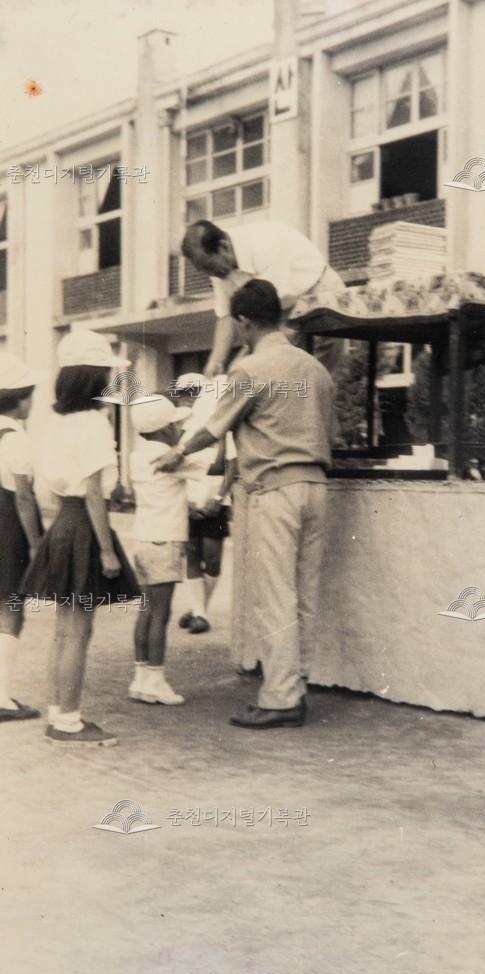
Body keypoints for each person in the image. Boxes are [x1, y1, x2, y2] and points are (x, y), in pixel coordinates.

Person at [155, 278, 335, 729]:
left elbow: (212, 429)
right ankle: (297, 684)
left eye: (235, 325)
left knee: (274, 597)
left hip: (273, 490)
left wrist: (176, 453)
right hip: (316, 486)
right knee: (303, 596)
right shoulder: (316, 370)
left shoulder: (251, 370)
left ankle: (280, 698)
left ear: (244, 322)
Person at [22, 331, 140, 747]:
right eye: (107, 371)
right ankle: (68, 721)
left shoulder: (57, 424)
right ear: (94, 378)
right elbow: (93, 490)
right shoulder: (93, 423)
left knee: (64, 630)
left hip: (65, 525)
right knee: (78, 630)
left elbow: (52, 489)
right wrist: (107, 549)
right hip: (86, 527)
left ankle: (59, 710)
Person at [181, 219, 345, 378]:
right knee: (274, 378)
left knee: (306, 378)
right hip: (285, 309)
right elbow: (226, 317)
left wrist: (240, 366)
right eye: (204, 270)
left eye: (209, 267)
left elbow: (266, 321)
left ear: (223, 246)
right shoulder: (218, 267)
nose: (211, 275)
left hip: (318, 294)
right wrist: (215, 362)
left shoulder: (265, 244)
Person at [128, 395, 207, 705]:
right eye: (175, 424)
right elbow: (211, 466)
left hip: (144, 539)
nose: (180, 429)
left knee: (146, 611)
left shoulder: (137, 455)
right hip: (166, 541)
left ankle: (141, 676)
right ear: (163, 429)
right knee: (161, 614)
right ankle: (156, 680)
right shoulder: (168, 456)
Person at [171, 374, 237, 635]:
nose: (188, 397)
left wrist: (219, 499)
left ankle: (200, 609)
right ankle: (200, 612)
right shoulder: (181, 431)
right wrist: (185, 503)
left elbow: (232, 467)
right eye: (184, 392)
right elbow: (175, 469)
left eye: (193, 391)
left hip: (214, 501)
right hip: (188, 500)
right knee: (192, 554)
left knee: (212, 559)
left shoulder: (223, 429)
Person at [0, 354, 44, 723]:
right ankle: (1, 697)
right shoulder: (15, 438)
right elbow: (25, 497)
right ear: (19, 398)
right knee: (11, 609)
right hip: (7, 529)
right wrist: (34, 543)